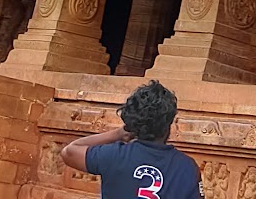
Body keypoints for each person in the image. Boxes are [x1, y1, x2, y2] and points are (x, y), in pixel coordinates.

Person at [61, 80, 204, 198]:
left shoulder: (113, 155)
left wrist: (117, 134)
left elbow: (69, 152)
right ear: (169, 123)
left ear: (132, 124)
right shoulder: (187, 168)